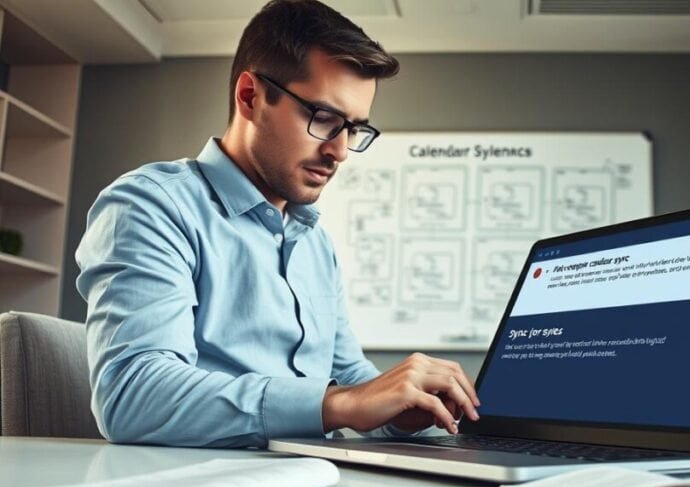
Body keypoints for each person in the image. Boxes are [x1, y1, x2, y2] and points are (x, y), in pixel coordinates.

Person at [75, 0, 479, 448]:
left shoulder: (314, 243)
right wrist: (337, 404)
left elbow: (350, 379)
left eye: (354, 129)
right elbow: (132, 397)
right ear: (250, 96)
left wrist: (410, 408)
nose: (341, 151)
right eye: (324, 118)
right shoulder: (152, 205)